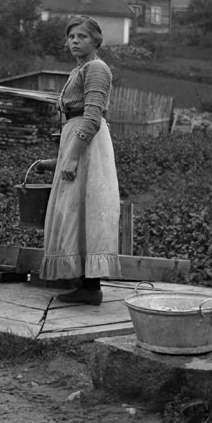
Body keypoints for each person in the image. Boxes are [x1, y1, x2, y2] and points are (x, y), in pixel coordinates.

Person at [35, 15, 121, 304]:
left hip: (87, 144)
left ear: (95, 41)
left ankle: (90, 287)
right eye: (71, 36)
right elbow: (74, 119)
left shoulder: (96, 68)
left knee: (88, 208)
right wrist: (59, 160)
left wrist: (71, 159)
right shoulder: (79, 70)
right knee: (75, 209)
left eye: (82, 36)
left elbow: (92, 118)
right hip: (76, 141)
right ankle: (83, 283)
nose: (74, 41)